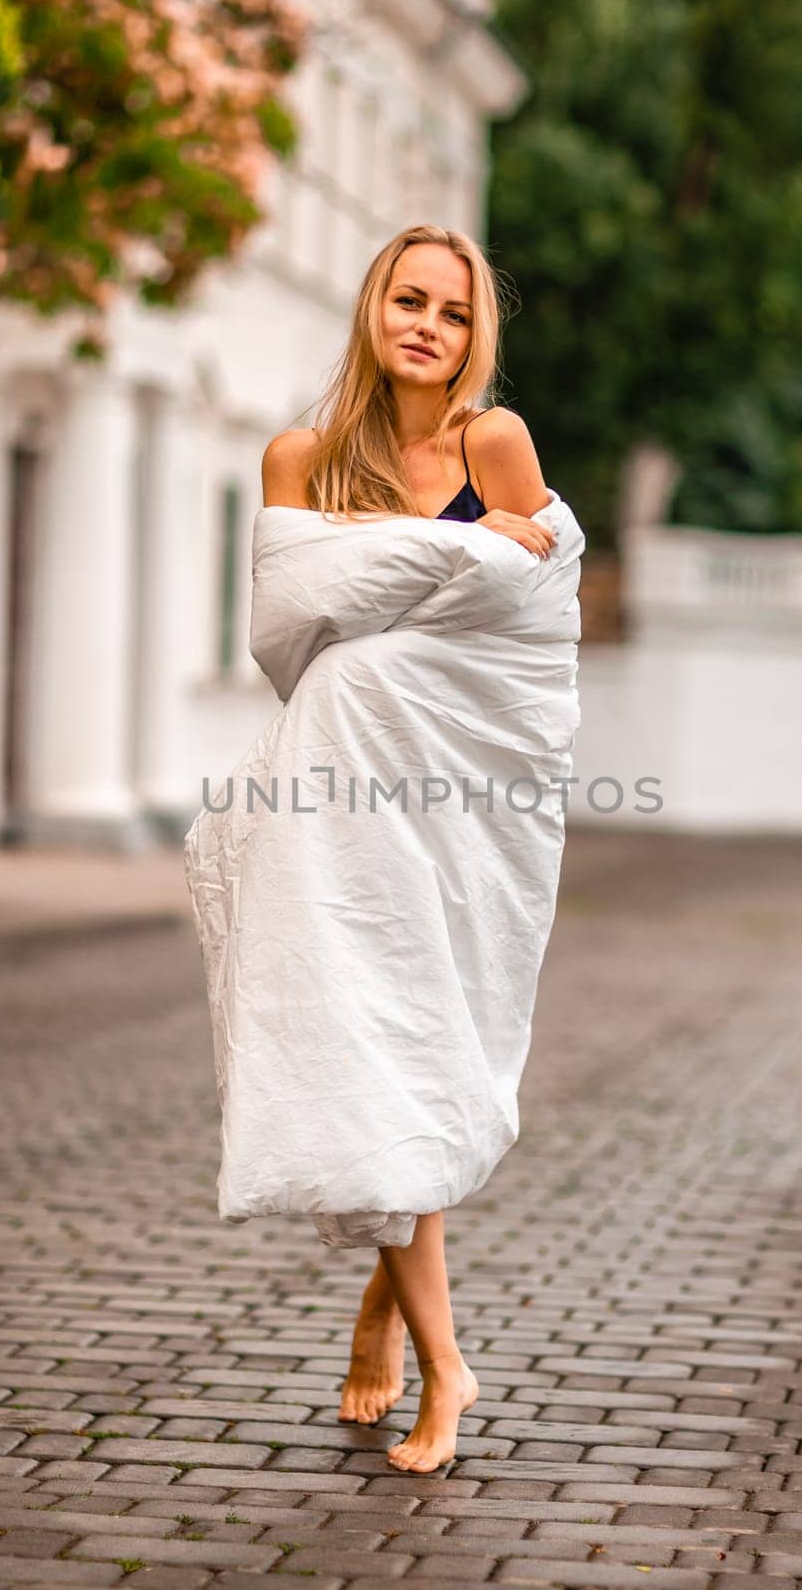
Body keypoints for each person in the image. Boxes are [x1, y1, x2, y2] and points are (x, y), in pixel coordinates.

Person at [186, 223, 581, 1476]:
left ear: (476, 335)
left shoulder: (491, 442)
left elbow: (533, 617)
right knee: (368, 1039)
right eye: (407, 300)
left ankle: (387, 1321)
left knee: (421, 1041)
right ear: (370, 306)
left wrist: (441, 565)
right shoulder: (299, 456)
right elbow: (292, 614)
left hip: (465, 799)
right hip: (334, 802)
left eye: (454, 313)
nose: (427, 325)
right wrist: (459, 549)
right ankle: (440, 1360)